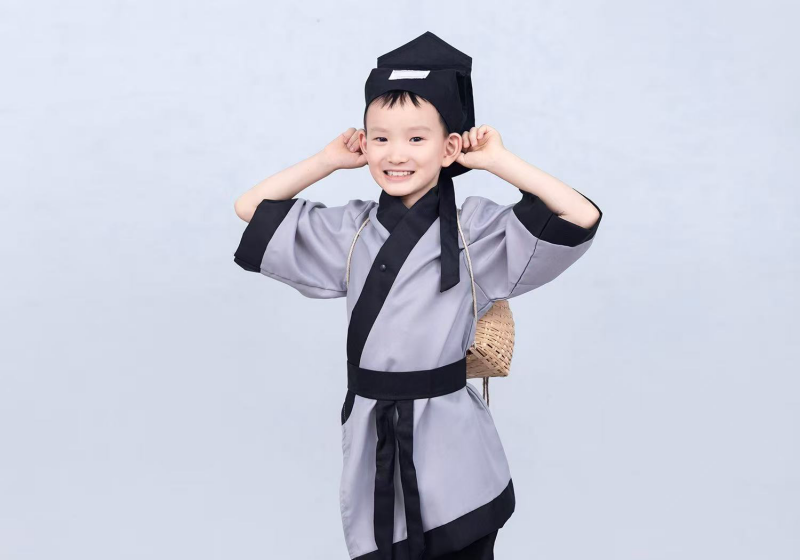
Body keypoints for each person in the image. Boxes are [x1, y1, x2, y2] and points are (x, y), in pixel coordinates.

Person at [233, 31, 602, 560]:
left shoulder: (473, 231)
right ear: (364, 143)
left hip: (452, 436)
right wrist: (326, 160)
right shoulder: (353, 230)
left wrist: (497, 161)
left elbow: (580, 215)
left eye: (416, 138)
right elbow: (250, 208)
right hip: (373, 431)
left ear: (449, 147)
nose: (395, 154)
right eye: (380, 138)